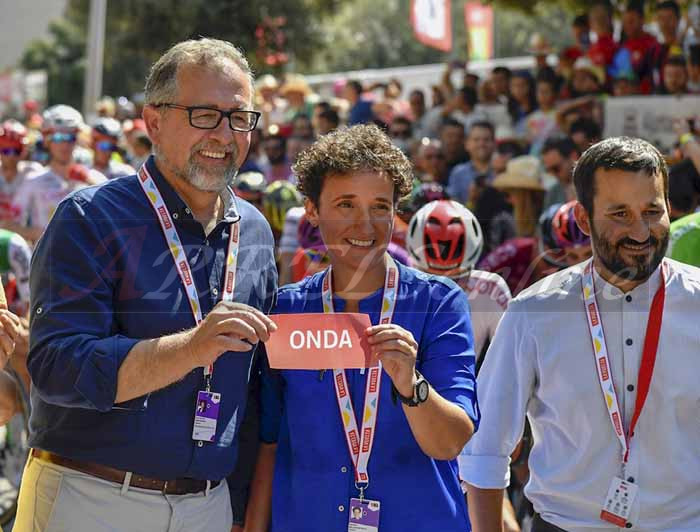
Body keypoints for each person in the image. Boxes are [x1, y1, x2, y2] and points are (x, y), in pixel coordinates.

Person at [15, 38, 278, 532]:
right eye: (205, 115)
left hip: (209, 506)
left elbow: (253, 390)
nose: (224, 134)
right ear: (153, 122)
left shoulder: (255, 230)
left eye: (239, 117)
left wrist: (241, 508)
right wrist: (190, 349)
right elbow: (56, 368)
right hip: (91, 498)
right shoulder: (90, 218)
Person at [245, 125, 479, 532]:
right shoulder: (286, 309)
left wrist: (411, 384)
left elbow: (450, 442)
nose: (365, 226)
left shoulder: (438, 303)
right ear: (313, 210)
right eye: (346, 205)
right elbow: (270, 441)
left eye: (380, 207)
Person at [464, 137, 700, 532]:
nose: (640, 231)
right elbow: (485, 449)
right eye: (620, 213)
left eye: (652, 211)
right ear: (583, 219)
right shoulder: (533, 312)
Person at [9, 105, 106, 242]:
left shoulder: (94, 178)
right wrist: (38, 234)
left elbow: (111, 216)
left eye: (70, 137)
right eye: (58, 137)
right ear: (47, 140)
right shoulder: (34, 181)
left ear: (77, 140)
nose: (65, 144)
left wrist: (91, 182)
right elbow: (9, 225)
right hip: (47, 254)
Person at [0, 120, 43, 221]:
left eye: (16, 151)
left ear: (24, 151)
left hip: (24, 228)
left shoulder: (32, 171)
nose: (11, 156)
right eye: (6, 151)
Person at [447, 121, 496, 204]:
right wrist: (471, 201)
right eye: (476, 140)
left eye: (486, 140)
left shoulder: (502, 171)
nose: (481, 144)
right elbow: (454, 208)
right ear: (467, 144)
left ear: (494, 144)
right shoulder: (458, 173)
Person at [541, 136, 579, 208]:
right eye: (549, 170)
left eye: (556, 168)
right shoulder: (553, 192)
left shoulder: (594, 184)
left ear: (573, 157)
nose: (552, 174)